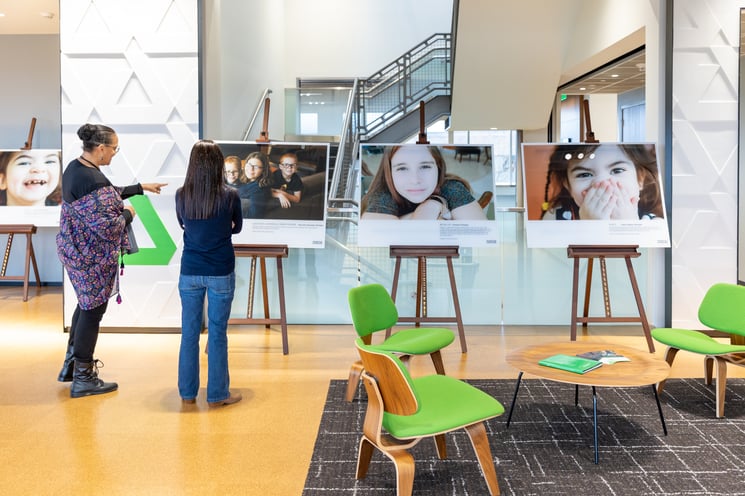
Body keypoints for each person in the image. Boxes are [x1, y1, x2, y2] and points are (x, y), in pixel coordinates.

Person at [56, 123, 167, 398]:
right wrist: (130, 213)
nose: (115, 153)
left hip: (75, 251)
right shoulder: (93, 179)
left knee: (85, 306)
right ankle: (83, 378)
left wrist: (139, 187)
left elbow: (105, 194)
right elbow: (108, 225)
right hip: (91, 258)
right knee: (93, 311)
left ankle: (71, 366)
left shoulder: (76, 168)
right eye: (115, 148)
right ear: (101, 148)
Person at [176, 139, 243, 407]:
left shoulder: (182, 195)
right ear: (217, 165)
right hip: (220, 271)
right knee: (217, 333)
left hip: (190, 270)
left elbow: (183, 224)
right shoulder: (230, 196)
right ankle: (217, 394)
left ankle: (187, 393)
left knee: (189, 333)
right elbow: (237, 228)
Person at [540, 143, 664, 221]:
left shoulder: (654, 224)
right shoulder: (555, 218)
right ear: (568, 186)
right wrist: (589, 229)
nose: (603, 183)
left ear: (640, 179)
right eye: (584, 174)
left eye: (617, 170)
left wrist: (626, 226)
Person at [360, 145, 487, 220]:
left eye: (425, 167)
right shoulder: (384, 194)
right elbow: (374, 235)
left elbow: (481, 232)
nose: (415, 180)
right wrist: (425, 211)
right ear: (389, 172)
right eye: (402, 168)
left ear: (438, 168)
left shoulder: (451, 187)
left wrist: (433, 204)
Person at [236, 151, 272, 218]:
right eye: (249, 164)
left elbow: (254, 215)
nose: (251, 169)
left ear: (263, 170)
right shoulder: (243, 180)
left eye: (256, 167)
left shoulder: (259, 190)